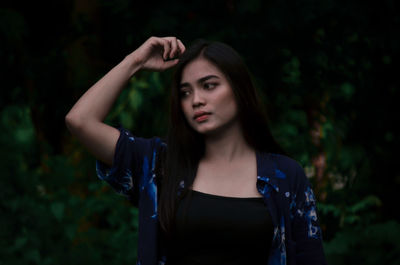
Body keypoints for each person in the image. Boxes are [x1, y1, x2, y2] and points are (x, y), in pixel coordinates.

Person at [65, 36, 327, 265]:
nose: (196, 100)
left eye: (209, 85)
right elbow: (80, 120)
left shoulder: (285, 176)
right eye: (185, 93)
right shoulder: (159, 165)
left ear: (239, 89)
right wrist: (135, 61)